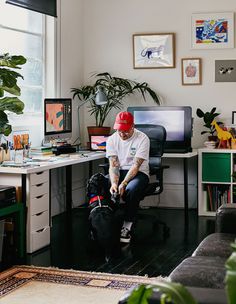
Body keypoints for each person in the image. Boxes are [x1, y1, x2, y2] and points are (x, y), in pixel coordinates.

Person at [106, 111, 150, 243]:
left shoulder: (143, 138)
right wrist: (114, 183)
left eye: (125, 131)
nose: (122, 134)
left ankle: (127, 225)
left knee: (132, 189)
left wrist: (124, 183)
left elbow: (136, 166)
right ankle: (105, 223)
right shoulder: (112, 139)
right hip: (120, 171)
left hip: (139, 173)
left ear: (133, 126)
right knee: (101, 184)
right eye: (119, 130)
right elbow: (113, 165)